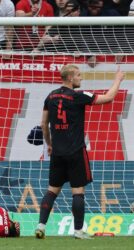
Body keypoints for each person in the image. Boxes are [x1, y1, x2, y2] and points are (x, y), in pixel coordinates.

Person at [35, 64, 125, 239]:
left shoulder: (50, 96)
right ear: (70, 78)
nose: (81, 78)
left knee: (52, 190)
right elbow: (108, 97)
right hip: (75, 151)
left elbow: (43, 125)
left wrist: (49, 144)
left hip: (57, 152)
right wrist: (117, 80)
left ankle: (41, 226)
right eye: (78, 75)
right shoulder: (78, 96)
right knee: (78, 191)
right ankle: (78, 231)